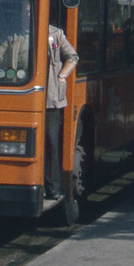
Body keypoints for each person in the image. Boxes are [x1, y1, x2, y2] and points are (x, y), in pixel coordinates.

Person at [45, 24, 77, 199]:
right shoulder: (17, 32)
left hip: (51, 99)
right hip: (28, 96)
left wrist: (61, 76)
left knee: (51, 142)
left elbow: (73, 56)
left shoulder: (55, 33)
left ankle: (53, 186)